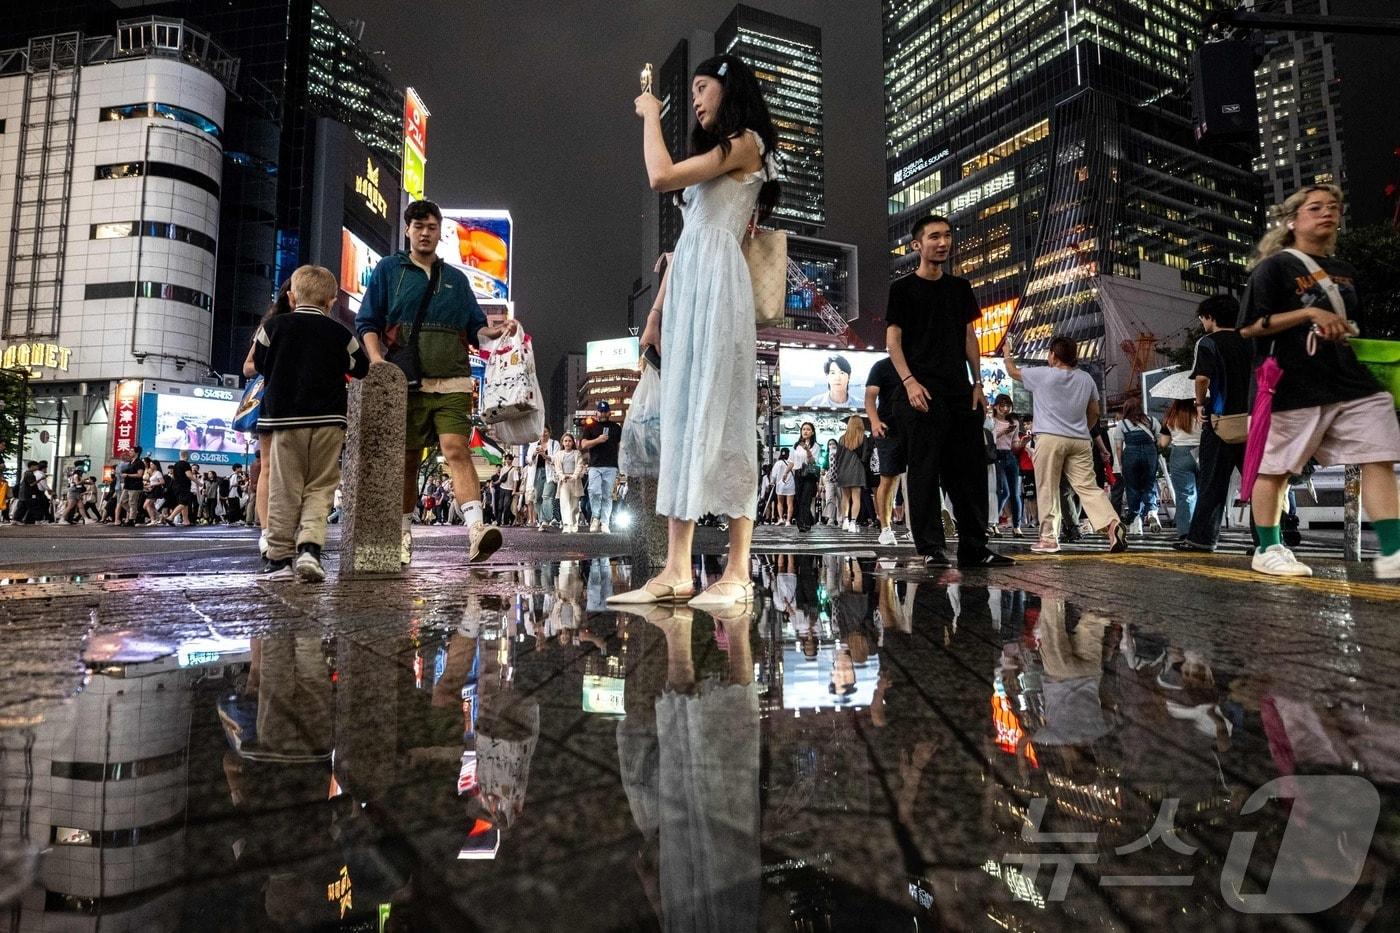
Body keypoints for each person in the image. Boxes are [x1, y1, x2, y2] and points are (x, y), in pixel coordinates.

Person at [612, 53, 780, 606]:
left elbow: (660, 176)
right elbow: (685, 246)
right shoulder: (718, 154)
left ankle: (738, 572)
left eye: (704, 88)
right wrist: (656, 313)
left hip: (721, 288)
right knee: (683, 418)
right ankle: (677, 570)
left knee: (726, 413)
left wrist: (647, 114)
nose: (698, 99)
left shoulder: (748, 143)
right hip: (688, 289)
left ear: (730, 89)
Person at [1237, 183, 1400, 578]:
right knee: (1276, 469)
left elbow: (1355, 327)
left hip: (1350, 380)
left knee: (1378, 454)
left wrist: (1340, 329)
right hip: (1292, 383)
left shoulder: (1346, 273)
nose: (1327, 213)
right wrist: (1309, 316)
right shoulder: (1274, 267)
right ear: (1293, 220)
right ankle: (1269, 546)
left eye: (1333, 207)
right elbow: (1249, 328)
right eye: (1315, 208)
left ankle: (1393, 550)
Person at [355, 199, 519, 565]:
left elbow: (476, 327)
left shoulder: (457, 279)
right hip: (407, 382)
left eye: (431, 227)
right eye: (418, 226)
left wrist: (495, 331)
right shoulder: (388, 270)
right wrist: (379, 362)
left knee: (457, 450)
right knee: (408, 460)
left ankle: (477, 531)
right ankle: (400, 534)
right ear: (408, 231)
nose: (425, 233)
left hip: (454, 379)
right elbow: (367, 322)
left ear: (439, 231)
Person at [886, 214, 1012, 567]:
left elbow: (969, 338)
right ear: (917, 245)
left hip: (961, 392)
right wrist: (909, 382)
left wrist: (978, 384)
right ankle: (931, 548)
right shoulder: (903, 289)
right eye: (934, 237)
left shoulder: (960, 288)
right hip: (920, 393)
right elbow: (892, 341)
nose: (943, 243)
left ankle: (974, 547)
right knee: (925, 471)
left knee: (969, 472)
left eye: (947, 236)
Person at [252, 264, 370, 581]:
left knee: (284, 487)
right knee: (320, 487)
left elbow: (259, 363)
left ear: (292, 296)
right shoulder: (341, 333)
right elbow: (361, 367)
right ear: (331, 301)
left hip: (285, 418)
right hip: (330, 420)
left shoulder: (273, 328)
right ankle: (309, 550)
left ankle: (279, 559)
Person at [1003, 336, 1127, 554]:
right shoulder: (1087, 379)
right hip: (1080, 440)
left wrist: (1007, 352)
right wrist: (1082, 429)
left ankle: (1049, 539)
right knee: (1087, 487)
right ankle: (1111, 524)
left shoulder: (1043, 375)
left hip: (1050, 439)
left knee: (1047, 488)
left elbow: (1013, 371)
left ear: (1053, 355)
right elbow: (1095, 412)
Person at [1175, 295, 1253, 553]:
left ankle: (1202, 539)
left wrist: (1199, 404)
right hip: (1254, 422)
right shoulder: (1251, 340)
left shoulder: (1208, 342)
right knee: (1260, 482)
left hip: (1221, 423)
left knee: (1212, 483)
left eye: (1202, 318)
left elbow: (1202, 379)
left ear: (1211, 317)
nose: (1201, 322)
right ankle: (1268, 541)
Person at [864, 354, 909, 546]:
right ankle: (885, 527)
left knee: (919, 477)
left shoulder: (916, 363)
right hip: (887, 428)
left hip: (915, 426)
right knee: (889, 478)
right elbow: (870, 397)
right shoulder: (881, 367)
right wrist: (874, 421)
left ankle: (917, 527)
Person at [1113, 397, 1162, 535]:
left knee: (1133, 487)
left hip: (1131, 455)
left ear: (1126, 410)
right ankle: (1152, 512)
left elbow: (1118, 447)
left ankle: (1136, 521)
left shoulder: (1122, 424)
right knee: (1149, 484)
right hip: (1150, 454)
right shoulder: (1152, 421)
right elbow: (1160, 440)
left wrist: (1121, 464)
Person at [1158, 400, 1201, 539]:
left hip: (1180, 454)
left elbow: (1163, 443)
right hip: (1203, 452)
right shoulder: (1202, 413)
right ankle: (1204, 531)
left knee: (1185, 495)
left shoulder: (1171, 416)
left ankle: (1186, 533)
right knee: (1205, 494)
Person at [579, 401, 622, 533]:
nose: (602, 414)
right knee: (594, 491)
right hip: (595, 465)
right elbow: (584, 445)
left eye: (605, 411)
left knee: (607, 495)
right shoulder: (590, 427)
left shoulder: (616, 427)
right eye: (600, 411)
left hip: (611, 465)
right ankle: (596, 517)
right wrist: (598, 440)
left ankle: (605, 521)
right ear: (597, 412)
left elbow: (621, 445)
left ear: (609, 412)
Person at [989, 394, 1025, 537]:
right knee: (1003, 492)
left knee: (1015, 493)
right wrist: (1003, 432)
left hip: (1010, 456)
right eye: (1002, 406)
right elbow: (988, 440)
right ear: (996, 407)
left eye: (1008, 406)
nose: (1005, 409)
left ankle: (1016, 526)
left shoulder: (1014, 422)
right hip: (996, 456)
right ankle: (993, 523)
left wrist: (1023, 443)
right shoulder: (991, 421)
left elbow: (1015, 444)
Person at [832, 416, 868, 532]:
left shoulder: (842, 439)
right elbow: (865, 456)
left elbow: (837, 457)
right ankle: (853, 523)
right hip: (857, 470)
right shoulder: (863, 438)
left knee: (845, 497)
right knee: (856, 498)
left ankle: (845, 521)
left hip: (843, 470)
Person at [524, 428, 559, 530]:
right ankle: (541, 519)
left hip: (549, 473)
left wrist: (544, 455)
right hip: (536, 473)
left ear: (550, 433)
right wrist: (535, 454)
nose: (543, 433)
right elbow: (528, 460)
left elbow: (556, 459)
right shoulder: (533, 444)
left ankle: (545, 520)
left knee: (547, 496)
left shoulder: (554, 444)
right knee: (537, 499)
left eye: (546, 431)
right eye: (541, 431)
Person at [553, 433, 586, 533]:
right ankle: (566, 524)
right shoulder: (559, 454)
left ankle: (574, 524)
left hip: (575, 481)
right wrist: (562, 476)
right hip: (564, 481)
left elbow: (580, 465)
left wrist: (574, 476)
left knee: (575, 504)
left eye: (569, 441)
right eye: (565, 441)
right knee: (564, 503)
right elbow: (557, 467)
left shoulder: (577, 453)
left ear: (573, 442)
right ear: (562, 443)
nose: (567, 443)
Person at [790, 422, 819, 532]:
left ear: (812, 432)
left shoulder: (816, 446)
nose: (805, 431)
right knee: (798, 499)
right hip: (798, 474)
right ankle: (809, 519)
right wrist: (786, 473)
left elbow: (812, 461)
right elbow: (791, 461)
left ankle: (803, 523)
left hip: (809, 474)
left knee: (805, 499)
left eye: (808, 429)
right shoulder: (796, 445)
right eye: (803, 429)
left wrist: (807, 450)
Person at [770, 449, 795, 525]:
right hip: (790, 484)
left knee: (780, 502)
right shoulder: (792, 463)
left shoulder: (778, 463)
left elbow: (774, 475)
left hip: (780, 484)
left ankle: (781, 518)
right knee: (790, 504)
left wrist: (772, 481)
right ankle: (788, 521)